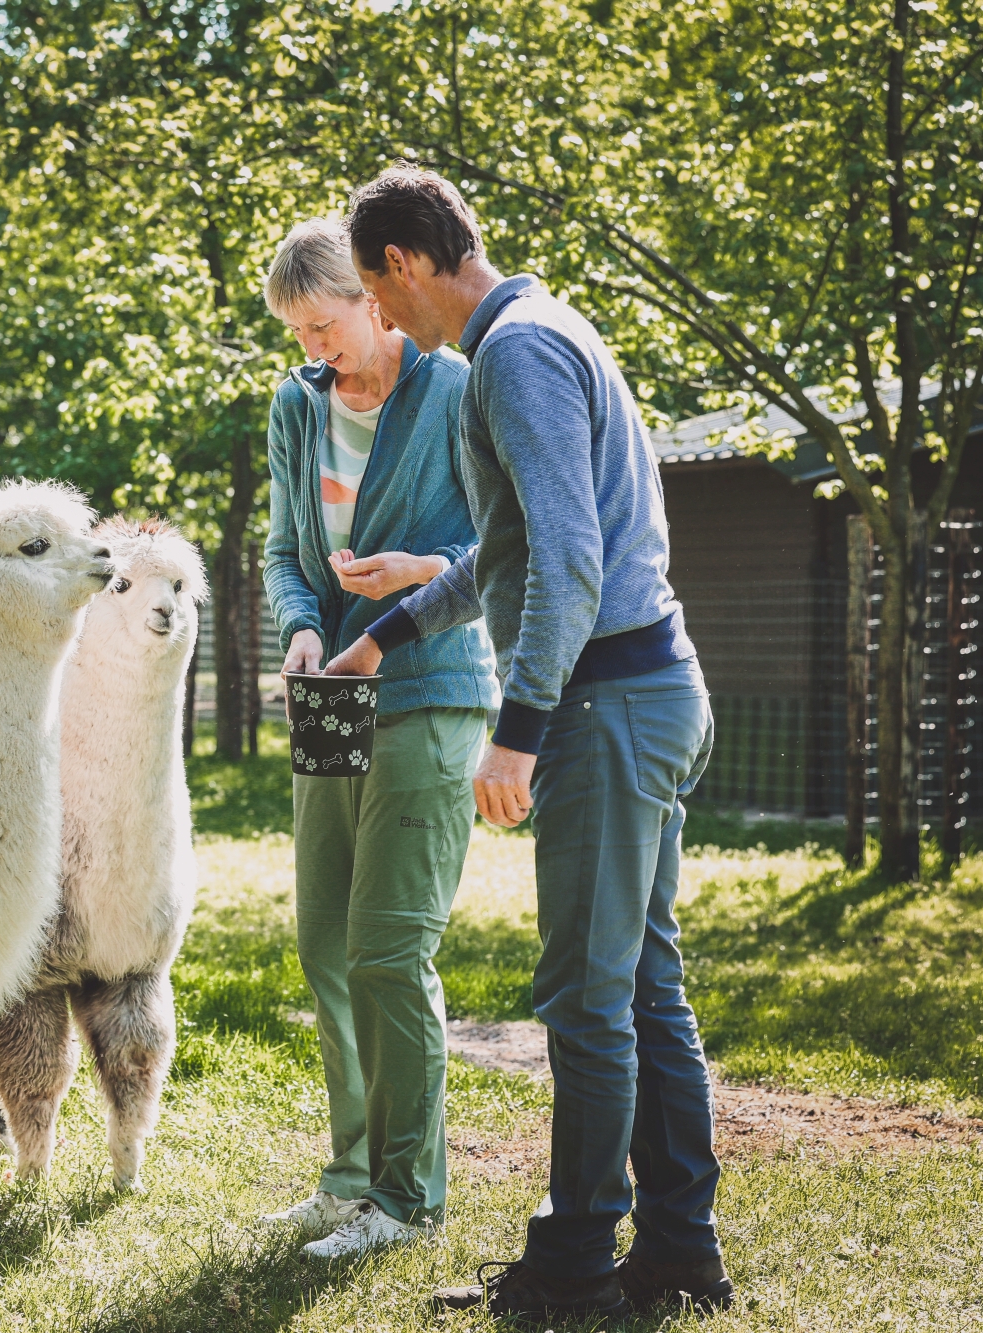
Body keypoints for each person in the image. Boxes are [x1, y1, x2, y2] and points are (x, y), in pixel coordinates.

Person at [325, 167, 732, 1319]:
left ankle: (570, 1268)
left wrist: (518, 732)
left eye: (370, 288)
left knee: (586, 997)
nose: (379, 316)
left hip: (605, 705)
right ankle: (675, 1251)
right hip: (639, 689)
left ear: (401, 264)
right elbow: (505, 555)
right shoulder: (542, 331)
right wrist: (389, 633)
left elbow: (567, 565)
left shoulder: (511, 354)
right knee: (642, 985)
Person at [255, 217, 496, 1260]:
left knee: (389, 952)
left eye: (324, 324)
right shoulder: (295, 406)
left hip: (427, 687)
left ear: (370, 296)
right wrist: (303, 627)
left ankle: (407, 1197)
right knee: (326, 947)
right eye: (295, 333)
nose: (313, 349)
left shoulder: (452, 389)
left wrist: (415, 572)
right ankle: (350, 1176)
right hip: (330, 699)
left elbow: (501, 541)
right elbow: (282, 554)